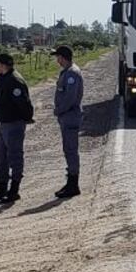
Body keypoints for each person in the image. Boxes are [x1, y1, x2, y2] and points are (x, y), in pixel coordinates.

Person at [0, 53, 34, 203]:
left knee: (14, 156)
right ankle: (2, 188)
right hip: (4, 123)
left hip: (14, 124)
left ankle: (14, 190)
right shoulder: (4, 78)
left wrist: (25, 119)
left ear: (2, 65)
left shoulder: (14, 81)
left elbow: (24, 104)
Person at [51, 45, 84, 198]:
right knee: (68, 149)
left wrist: (59, 110)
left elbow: (70, 98)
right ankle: (70, 182)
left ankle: (73, 184)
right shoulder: (67, 72)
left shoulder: (72, 73)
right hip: (67, 116)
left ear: (62, 57)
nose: (57, 60)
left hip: (70, 115)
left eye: (58, 57)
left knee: (71, 150)